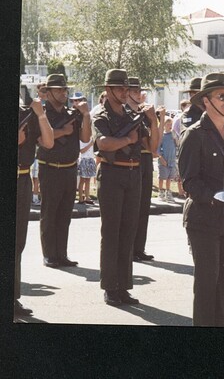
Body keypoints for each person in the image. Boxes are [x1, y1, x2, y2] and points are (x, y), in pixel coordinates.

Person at [178, 72, 224, 326]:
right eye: (221, 96)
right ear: (205, 101)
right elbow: (188, 182)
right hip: (203, 219)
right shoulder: (194, 134)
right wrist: (216, 196)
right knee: (207, 282)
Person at [92, 69, 153, 306]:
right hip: (111, 174)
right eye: (120, 88)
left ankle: (124, 286)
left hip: (133, 173)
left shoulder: (131, 114)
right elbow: (103, 143)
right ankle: (110, 286)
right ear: (107, 90)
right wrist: (127, 140)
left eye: (127, 88)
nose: (124, 92)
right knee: (111, 233)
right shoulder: (101, 115)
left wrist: (154, 122)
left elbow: (151, 144)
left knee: (128, 232)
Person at [37, 74, 91, 268]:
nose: (63, 93)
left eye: (64, 89)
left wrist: (85, 115)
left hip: (69, 169)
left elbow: (85, 138)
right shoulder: (42, 114)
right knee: (50, 213)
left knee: (65, 215)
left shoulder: (72, 114)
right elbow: (43, 141)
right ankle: (50, 254)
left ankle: (62, 254)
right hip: (50, 169)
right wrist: (63, 132)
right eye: (58, 89)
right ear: (49, 92)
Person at [16, 94, 54, 318]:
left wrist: (40, 114)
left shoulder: (28, 113)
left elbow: (48, 142)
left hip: (22, 179)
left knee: (17, 242)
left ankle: (13, 299)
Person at [127, 77, 162, 263]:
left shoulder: (145, 114)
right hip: (131, 161)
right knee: (131, 207)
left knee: (143, 206)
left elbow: (154, 146)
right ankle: (129, 248)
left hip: (146, 158)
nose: (137, 94)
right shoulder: (125, 113)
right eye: (133, 91)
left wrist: (154, 120)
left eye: (138, 90)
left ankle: (139, 248)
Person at [158, 118, 178, 204]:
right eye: (168, 124)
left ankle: (168, 192)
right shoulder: (162, 136)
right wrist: (161, 158)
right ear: (164, 125)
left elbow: (177, 144)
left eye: (171, 124)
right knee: (162, 177)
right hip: (164, 159)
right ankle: (161, 191)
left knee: (170, 178)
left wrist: (175, 137)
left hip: (171, 160)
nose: (170, 126)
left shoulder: (173, 135)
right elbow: (158, 149)